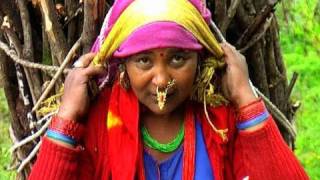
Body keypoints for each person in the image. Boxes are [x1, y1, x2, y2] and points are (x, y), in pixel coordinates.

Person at [29, 0, 308, 179]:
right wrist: (66, 116)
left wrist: (246, 99)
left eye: (178, 58)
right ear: (123, 63)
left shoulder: (219, 121)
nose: (161, 80)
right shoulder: (102, 123)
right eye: (143, 60)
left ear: (200, 59)